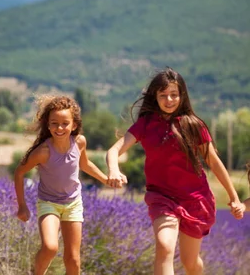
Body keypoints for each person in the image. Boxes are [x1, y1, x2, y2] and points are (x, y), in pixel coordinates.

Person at [106, 67, 245, 275]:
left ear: (182, 96)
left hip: (195, 199)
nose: (169, 99)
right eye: (163, 95)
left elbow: (214, 163)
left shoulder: (193, 125)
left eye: (174, 94)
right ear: (155, 96)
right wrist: (114, 169)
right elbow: (114, 150)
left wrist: (234, 198)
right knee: (164, 246)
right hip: (161, 197)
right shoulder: (145, 124)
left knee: (191, 263)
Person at [14, 95, 111, 275]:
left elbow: (84, 164)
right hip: (49, 203)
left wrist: (105, 179)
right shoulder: (42, 152)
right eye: (54, 123)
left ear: (74, 125)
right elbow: (19, 173)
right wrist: (22, 206)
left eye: (65, 123)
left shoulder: (79, 142)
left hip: (73, 204)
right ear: (48, 125)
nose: (59, 128)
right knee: (50, 247)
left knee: (73, 261)